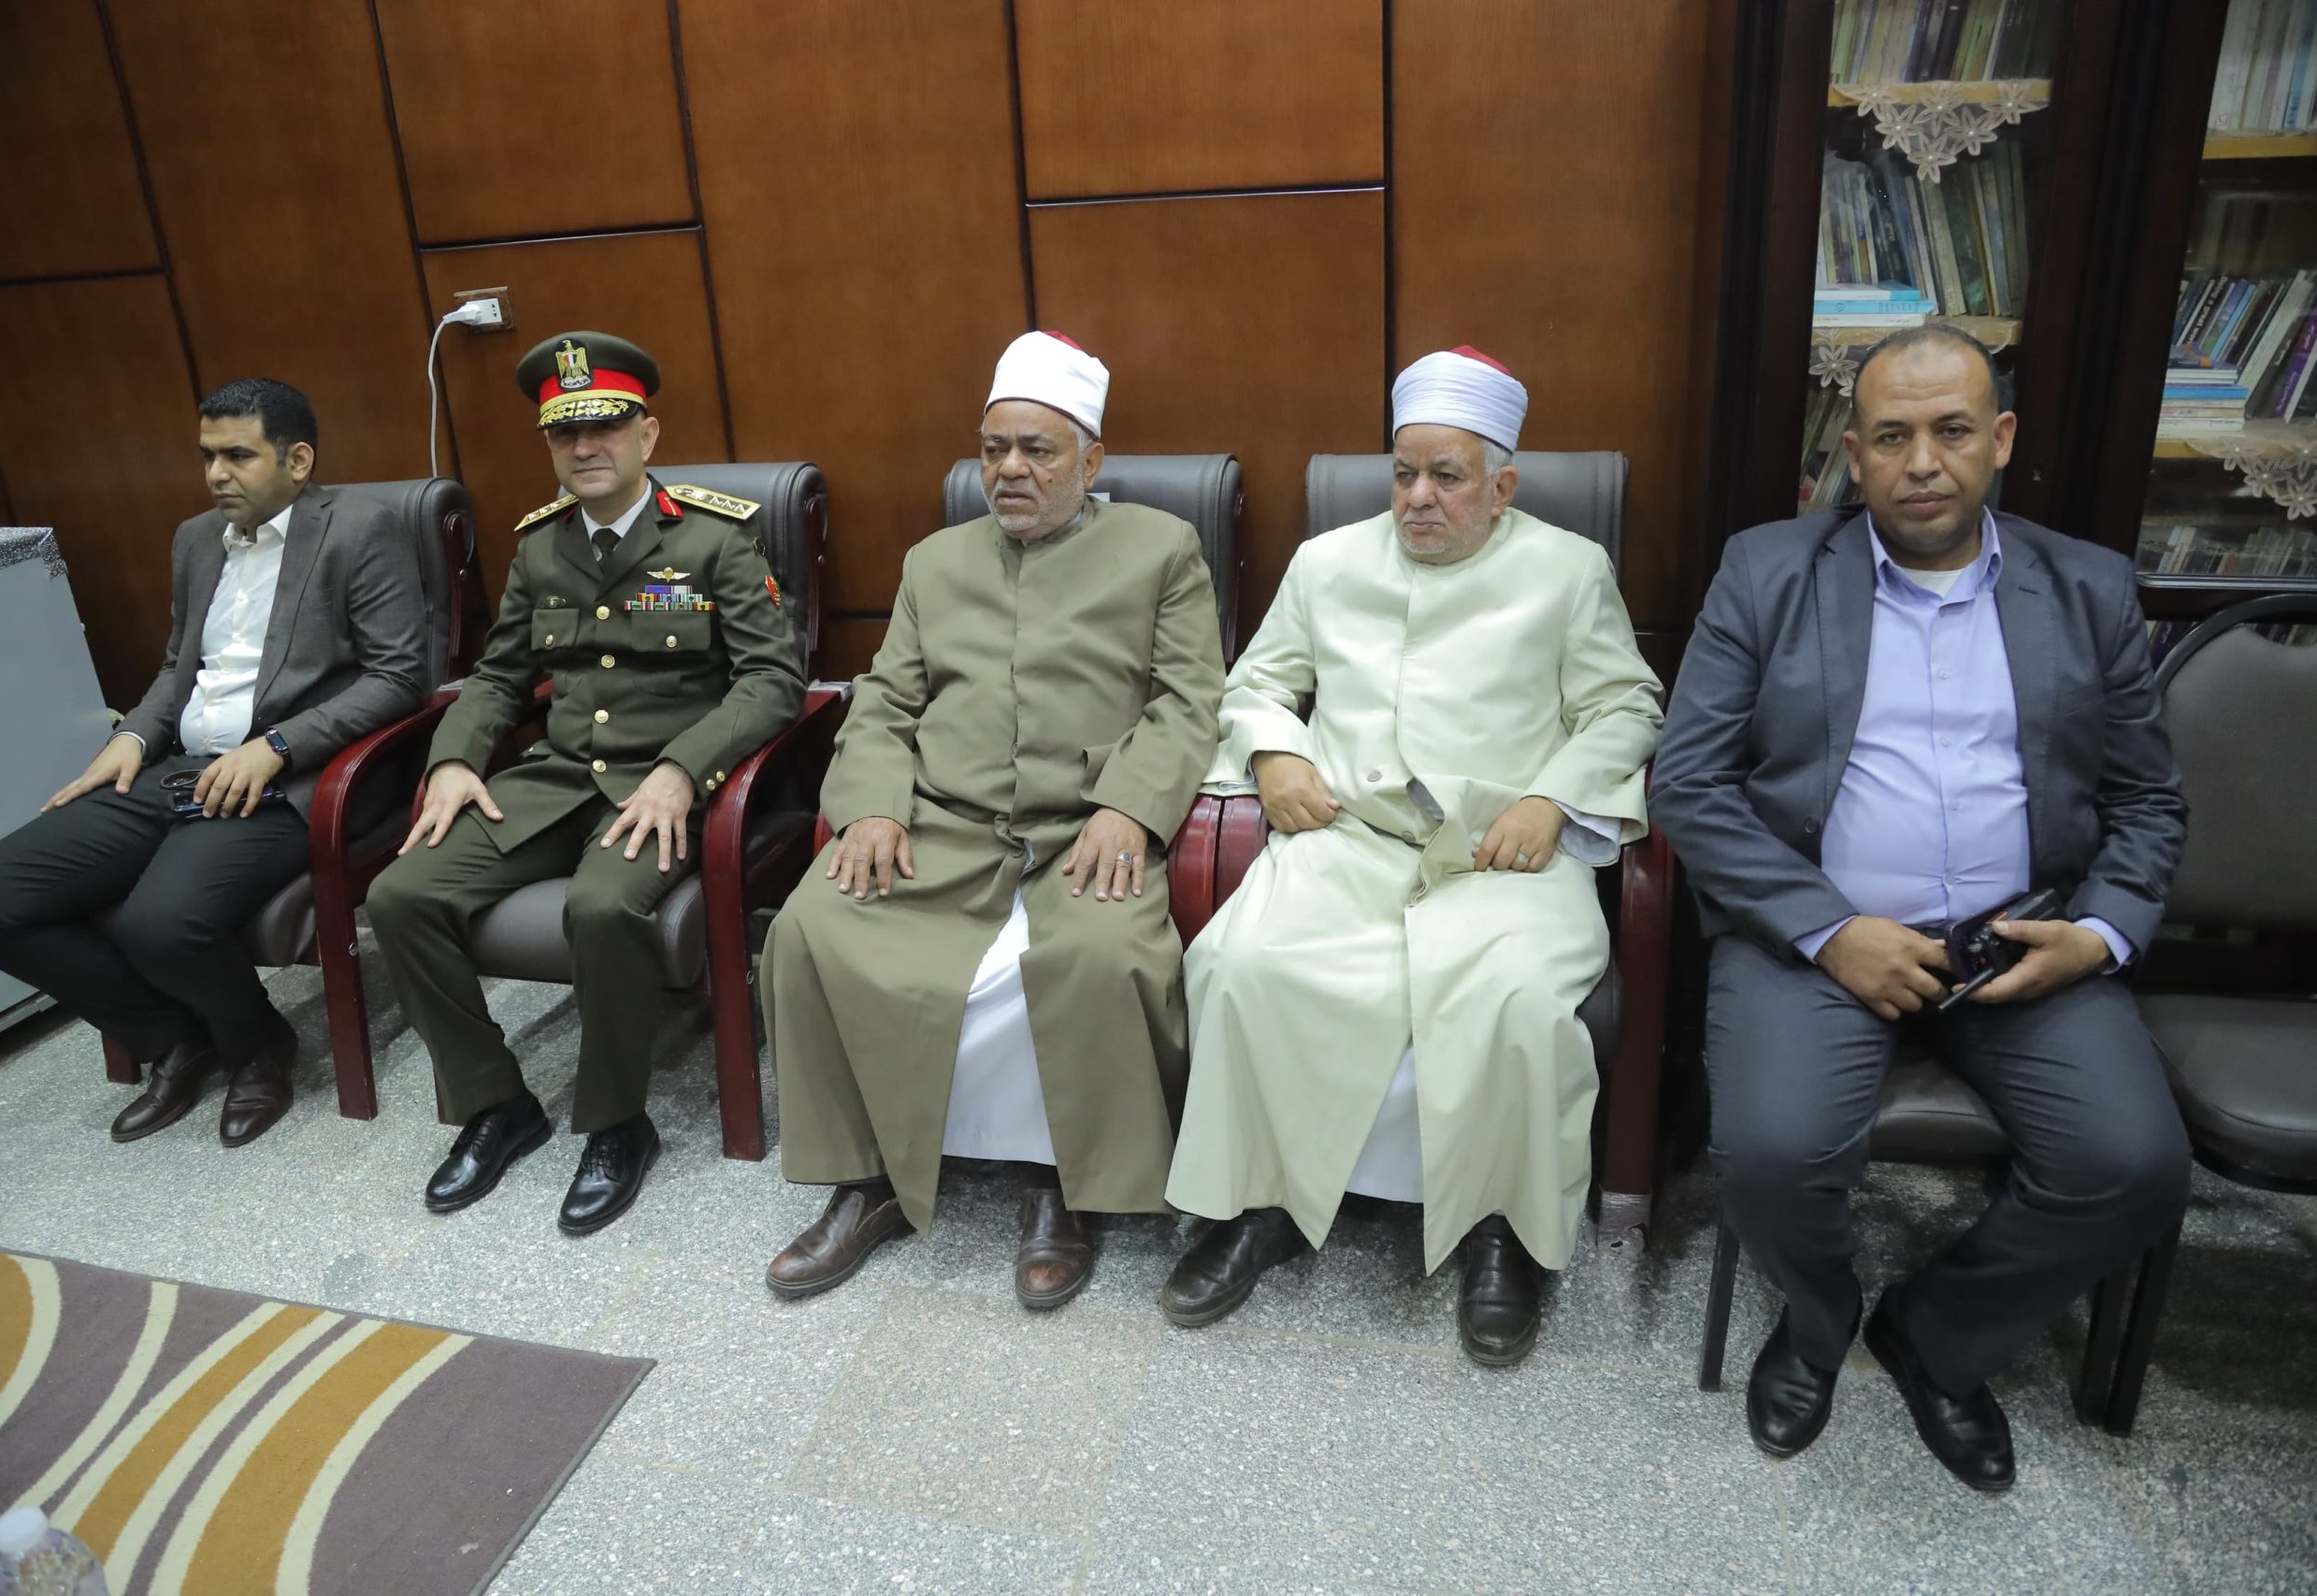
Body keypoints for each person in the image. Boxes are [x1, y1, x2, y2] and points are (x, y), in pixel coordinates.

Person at [1650, 324, 2191, 1490]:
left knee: (2134, 1165)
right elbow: (1687, 784)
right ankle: (1816, 1324)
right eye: (1890, 438)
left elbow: (2146, 800)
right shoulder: (1769, 572)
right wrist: (1829, 930)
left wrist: (2096, 933)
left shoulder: (2085, 587)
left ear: (2000, 439)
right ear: (1853, 456)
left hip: (2022, 939)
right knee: (1768, 1157)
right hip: (1817, 934)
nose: (1923, 463)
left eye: (1951, 431)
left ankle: (1937, 1336)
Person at [1159, 347, 1664, 1363]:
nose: (1418, 497)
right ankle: (1255, 1206)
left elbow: (1625, 705)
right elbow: (1255, 684)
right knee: (1239, 962)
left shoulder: (1568, 570)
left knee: (1518, 1003)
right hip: (1350, 835)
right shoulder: (1327, 562)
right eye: (1403, 473)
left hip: (1499, 852)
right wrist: (1275, 753)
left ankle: (1502, 1236)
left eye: (1447, 476)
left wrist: (1551, 799)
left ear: (1502, 486)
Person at [760, 330, 1224, 1307]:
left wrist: (1130, 810)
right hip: (946, 825)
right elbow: (884, 700)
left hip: (1084, 830)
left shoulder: (1161, 549)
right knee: (811, 927)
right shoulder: (934, 561)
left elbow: (1188, 701)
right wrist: (872, 807)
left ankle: (1066, 1187)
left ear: (1090, 462)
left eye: (1037, 450)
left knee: (1103, 957)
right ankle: (868, 1179)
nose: (1009, 469)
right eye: (994, 449)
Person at [366, 331, 803, 1234]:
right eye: (565, 432)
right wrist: (455, 759)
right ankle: (497, 1104)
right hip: (557, 780)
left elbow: (773, 679)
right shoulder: (540, 547)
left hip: (663, 789)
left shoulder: (716, 538)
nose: (586, 446)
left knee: (602, 907)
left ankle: (616, 1123)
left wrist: (684, 770)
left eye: (605, 425)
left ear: (647, 433)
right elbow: (498, 676)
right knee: (401, 893)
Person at [0, 378, 427, 1145]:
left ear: (298, 460)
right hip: (181, 769)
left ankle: (257, 1046)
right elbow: (179, 667)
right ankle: (174, 1037)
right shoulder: (197, 539)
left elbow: (399, 676)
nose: (216, 475)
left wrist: (277, 746)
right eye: (207, 456)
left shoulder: (362, 530)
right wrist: (133, 737)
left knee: (161, 923)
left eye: (238, 456)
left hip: (292, 781)